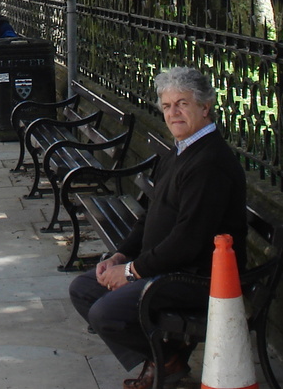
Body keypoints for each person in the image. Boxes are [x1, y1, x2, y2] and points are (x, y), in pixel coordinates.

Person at [69, 66, 247, 389]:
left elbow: (188, 242)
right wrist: (120, 256)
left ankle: (164, 362)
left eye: (182, 104)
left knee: (105, 313)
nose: (173, 113)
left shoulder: (209, 163)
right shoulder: (180, 150)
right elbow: (149, 217)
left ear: (205, 108)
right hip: (165, 266)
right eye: (167, 106)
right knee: (83, 289)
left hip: (196, 277)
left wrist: (131, 273)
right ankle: (166, 359)